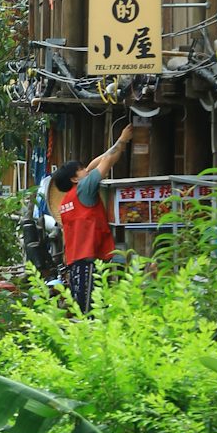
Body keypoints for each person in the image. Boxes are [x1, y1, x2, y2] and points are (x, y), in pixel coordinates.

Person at [48, 125, 133, 312]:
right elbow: (108, 161)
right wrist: (123, 140)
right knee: (92, 308)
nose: (86, 170)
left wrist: (114, 145)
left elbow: (94, 164)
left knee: (84, 307)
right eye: (80, 170)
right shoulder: (84, 188)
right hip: (89, 260)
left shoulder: (68, 199)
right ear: (74, 179)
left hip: (76, 260)